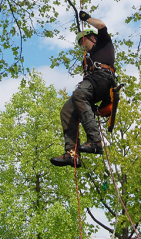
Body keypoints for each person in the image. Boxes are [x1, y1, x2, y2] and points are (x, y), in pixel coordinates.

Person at [50, 10, 116, 168]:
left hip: (103, 79)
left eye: (83, 41)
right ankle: (72, 154)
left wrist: (86, 18)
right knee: (67, 110)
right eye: (80, 43)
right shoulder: (87, 59)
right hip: (92, 83)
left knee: (79, 95)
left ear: (92, 38)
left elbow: (101, 25)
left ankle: (96, 141)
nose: (82, 45)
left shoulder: (103, 43)